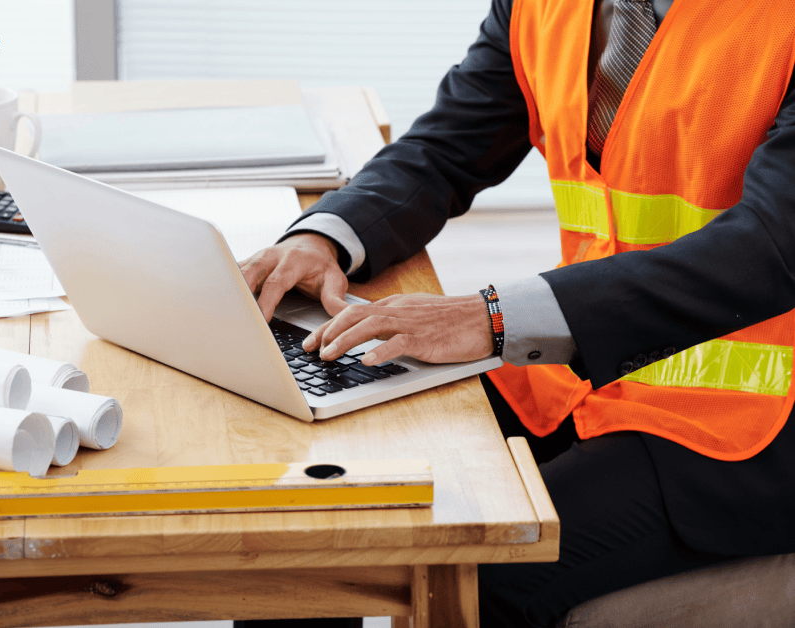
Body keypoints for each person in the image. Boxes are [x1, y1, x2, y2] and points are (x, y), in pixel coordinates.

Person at [236, 0, 795, 626]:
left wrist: (488, 317)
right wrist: (324, 240)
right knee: (311, 508)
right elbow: (447, 147)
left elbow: (772, 246)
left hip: (750, 428)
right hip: (583, 372)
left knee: (473, 562)